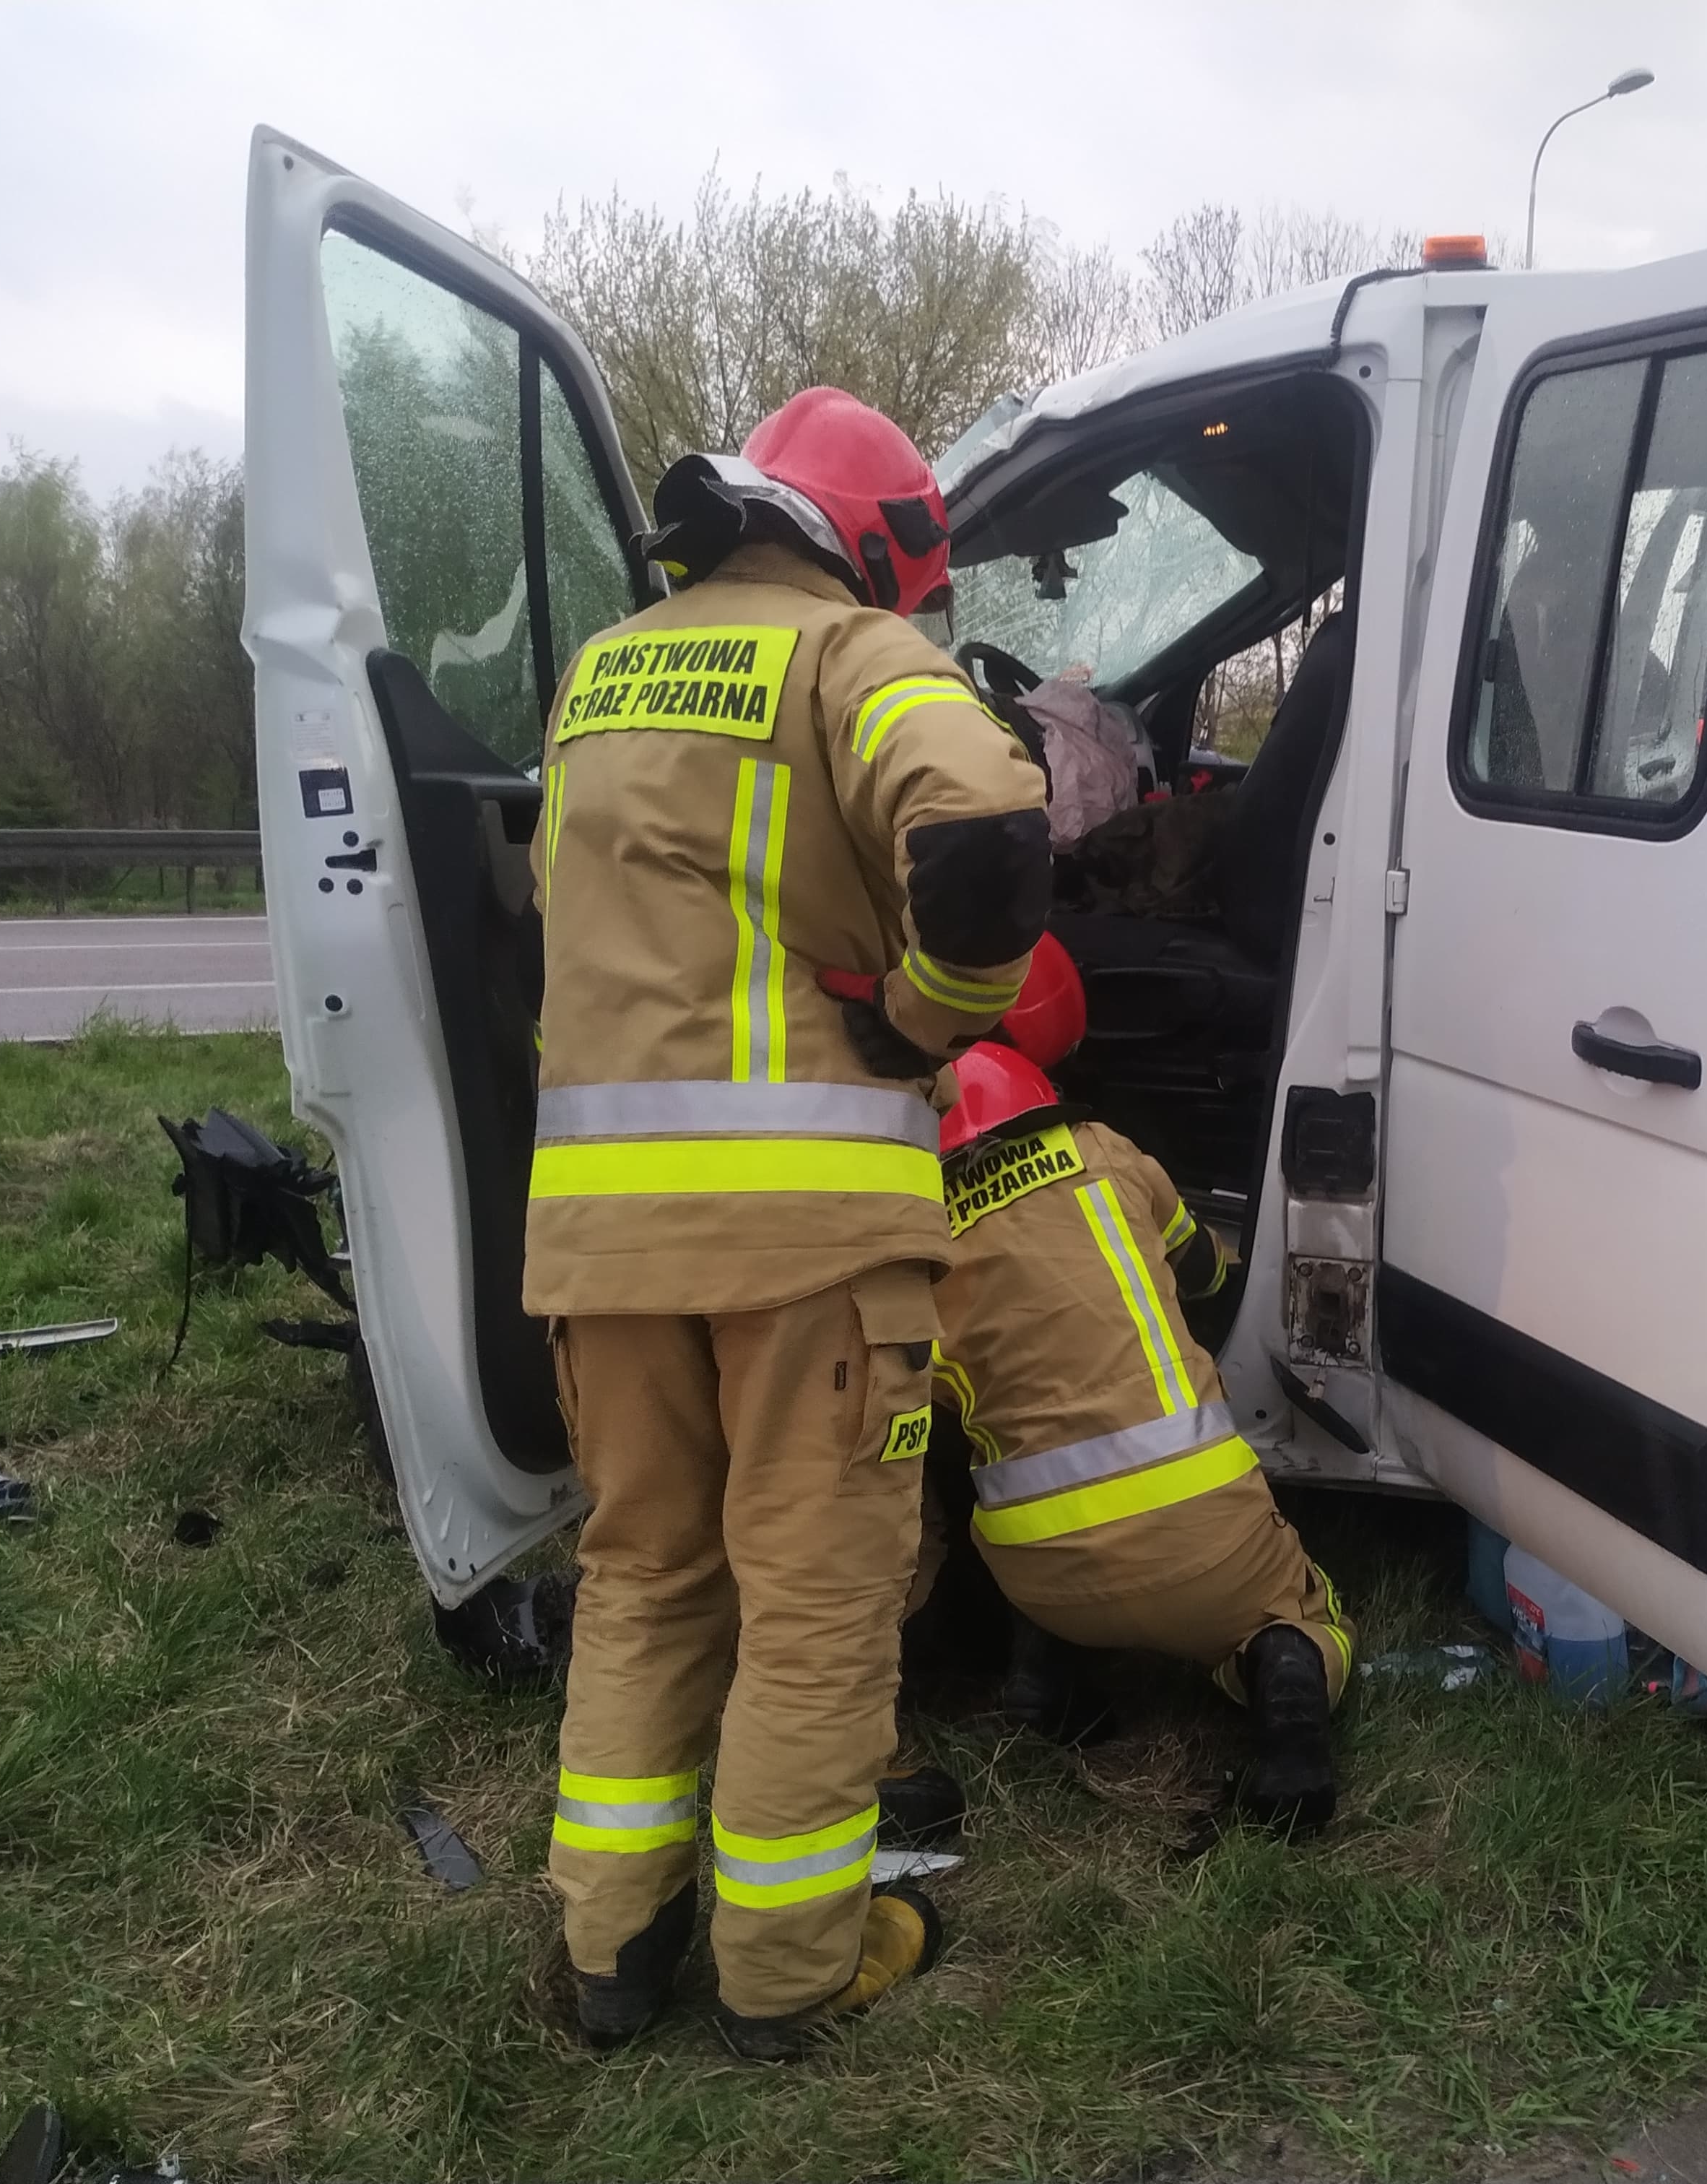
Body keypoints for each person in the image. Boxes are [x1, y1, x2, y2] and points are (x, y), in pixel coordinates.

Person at [528, 387, 1051, 2060]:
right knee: (818, 1604)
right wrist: (924, 1013)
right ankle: (789, 1972)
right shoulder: (852, 658)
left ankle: (610, 1949)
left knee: (644, 1579)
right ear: (875, 551)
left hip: (601, 1243)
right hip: (808, 1244)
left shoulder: (601, 673)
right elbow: (983, 836)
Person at [924, 955, 1355, 1833]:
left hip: (1037, 1571)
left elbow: (927, 1398)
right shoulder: (1108, 1153)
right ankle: (1289, 1737)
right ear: (1041, 1094)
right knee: (1306, 1616)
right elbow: (1205, 1274)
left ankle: (1051, 1684)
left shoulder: (916, 1224)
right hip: (1208, 1548)